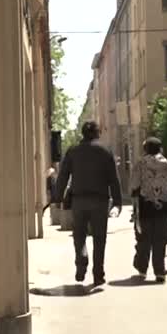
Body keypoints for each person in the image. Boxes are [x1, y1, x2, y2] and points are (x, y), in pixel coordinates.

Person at [52, 121, 123, 286]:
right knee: (99, 238)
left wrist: (57, 197)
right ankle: (98, 274)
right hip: (100, 200)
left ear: (82, 134)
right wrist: (117, 202)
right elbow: (114, 178)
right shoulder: (105, 151)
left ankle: (81, 258)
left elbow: (63, 175)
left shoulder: (73, 151)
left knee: (79, 235)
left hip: (79, 200)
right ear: (98, 133)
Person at [131, 137, 167, 282]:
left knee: (143, 239)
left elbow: (134, 187)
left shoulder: (140, 164)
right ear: (160, 149)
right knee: (160, 240)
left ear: (145, 149)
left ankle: (142, 269)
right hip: (162, 208)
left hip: (145, 207)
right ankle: (159, 271)